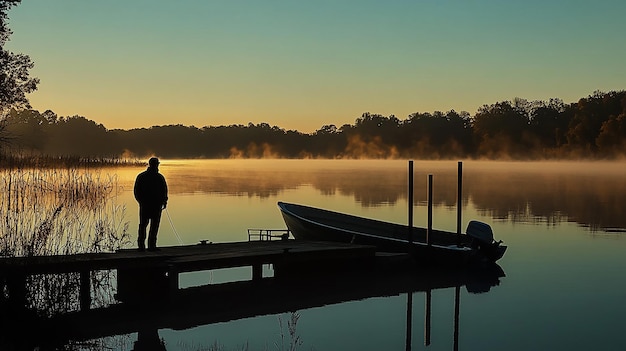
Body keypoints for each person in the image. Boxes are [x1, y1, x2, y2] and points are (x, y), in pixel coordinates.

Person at [134, 157, 168, 251]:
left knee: (143, 225)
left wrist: (141, 201)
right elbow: (164, 191)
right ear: (156, 165)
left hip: (145, 205)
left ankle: (141, 246)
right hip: (154, 206)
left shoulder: (141, 176)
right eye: (157, 164)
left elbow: (136, 192)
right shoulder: (159, 177)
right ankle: (151, 246)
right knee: (154, 226)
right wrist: (164, 201)